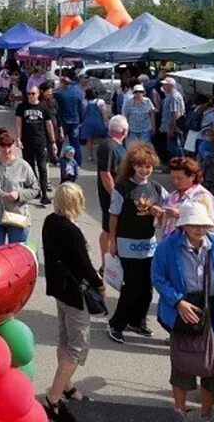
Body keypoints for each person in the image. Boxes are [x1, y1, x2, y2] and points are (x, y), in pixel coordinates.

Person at [151, 202, 214, 420]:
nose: (200, 230)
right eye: (194, 225)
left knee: (213, 368)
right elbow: (159, 278)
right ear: (184, 225)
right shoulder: (167, 247)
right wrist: (178, 302)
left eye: (204, 225)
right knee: (181, 365)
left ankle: (205, 415)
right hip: (184, 309)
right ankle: (179, 411)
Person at [42, 182, 104, 421]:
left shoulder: (49, 221)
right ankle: (54, 397)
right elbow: (84, 266)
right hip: (74, 293)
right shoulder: (71, 230)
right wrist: (99, 282)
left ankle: (67, 386)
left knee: (64, 339)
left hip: (59, 289)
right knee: (77, 347)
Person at [107, 142, 168, 344]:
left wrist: (159, 215)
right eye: (141, 166)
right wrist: (112, 242)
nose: (145, 170)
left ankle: (137, 320)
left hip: (148, 244)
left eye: (148, 166)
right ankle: (117, 324)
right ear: (133, 166)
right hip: (127, 243)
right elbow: (113, 216)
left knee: (147, 288)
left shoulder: (157, 189)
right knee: (132, 286)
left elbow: (167, 213)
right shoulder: (122, 188)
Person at [0, 128, 40, 247]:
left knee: (17, 254)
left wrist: (19, 195)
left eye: (9, 146)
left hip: (17, 216)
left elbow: (35, 189)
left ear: (14, 145)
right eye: (3, 146)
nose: (6, 150)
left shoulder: (23, 166)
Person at [96, 115, 129, 271]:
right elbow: (105, 174)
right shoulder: (108, 147)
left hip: (119, 195)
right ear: (124, 131)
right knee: (108, 230)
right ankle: (105, 264)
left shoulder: (118, 146)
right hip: (111, 197)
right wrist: (115, 196)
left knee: (111, 230)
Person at [15, 85, 57, 205]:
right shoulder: (22, 107)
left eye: (33, 93)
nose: (30, 96)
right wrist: (18, 138)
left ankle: (44, 194)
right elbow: (18, 123)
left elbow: (49, 125)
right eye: (28, 94)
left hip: (41, 142)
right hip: (27, 142)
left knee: (42, 168)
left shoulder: (44, 107)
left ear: (38, 94)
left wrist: (53, 142)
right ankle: (35, 190)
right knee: (30, 168)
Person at [161, 157, 214, 237]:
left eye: (180, 178)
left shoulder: (203, 197)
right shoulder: (172, 196)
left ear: (192, 177)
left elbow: (210, 226)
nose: (175, 181)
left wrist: (181, 214)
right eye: (173, 178)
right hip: (170, 244)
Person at [54, 74, 86, 167]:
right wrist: (80, 119)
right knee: (75, 143)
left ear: (62, 83)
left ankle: (56, 158)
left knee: (59, 140)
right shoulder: (77, 93)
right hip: (75, 121)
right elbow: (81, 108)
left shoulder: (59, 94)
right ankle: (78, 161)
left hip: (64, 121)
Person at [160, 77, 186, 162]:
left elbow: (175, 114)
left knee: (174, 148)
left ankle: (176, 165)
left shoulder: (174, 97)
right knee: (173, 146)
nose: (163, 86)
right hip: (170, 126)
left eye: (165, 85)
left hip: (174, 127)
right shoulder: (171, 95)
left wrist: (172, 128)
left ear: (171, 86)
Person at [80, 89, 108, 162]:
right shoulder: (101, 102)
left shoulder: (85, 102)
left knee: (89, 140)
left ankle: (90, 155)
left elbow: (83, 113)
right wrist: (106, 123)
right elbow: (104, 114)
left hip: (88, 123)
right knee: (101, 140)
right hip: (98, 122)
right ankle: (101, 155)